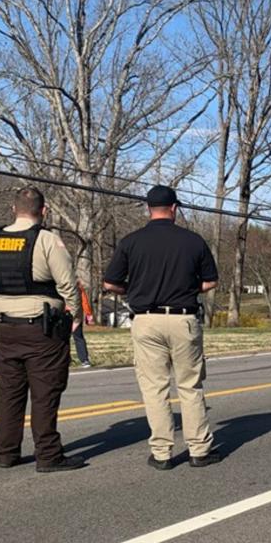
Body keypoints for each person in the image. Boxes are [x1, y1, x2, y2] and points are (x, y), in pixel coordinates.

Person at [102, 185, 222, 470]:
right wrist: (186, 287)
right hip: (183, 318)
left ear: (148, 208)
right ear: (174, 208)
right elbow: (210, 281)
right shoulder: (193, 241)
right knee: (190, 386)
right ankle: (199, 450)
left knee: (155, 388)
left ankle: (162, 453)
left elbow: (110, 283)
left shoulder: (131, 242)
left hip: (146, 319)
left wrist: (134, 290)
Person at [0, 187, 85, 473]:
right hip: (42, 330)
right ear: (44, 210)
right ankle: (48, 455)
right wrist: (74, 314)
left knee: (9, 393)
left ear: (14, 209)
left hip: (5, 327)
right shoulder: (47, 240)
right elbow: (66, 285)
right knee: (45, 392)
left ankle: (7, 452)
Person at [73, 282, 94, 368]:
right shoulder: (78, 286)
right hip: (76, 314)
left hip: (64, 312)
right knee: (78, 337)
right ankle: (85, 360)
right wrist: (88, 314)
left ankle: (64, 359)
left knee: (62, 338)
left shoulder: (59, 283)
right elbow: (84, 301)